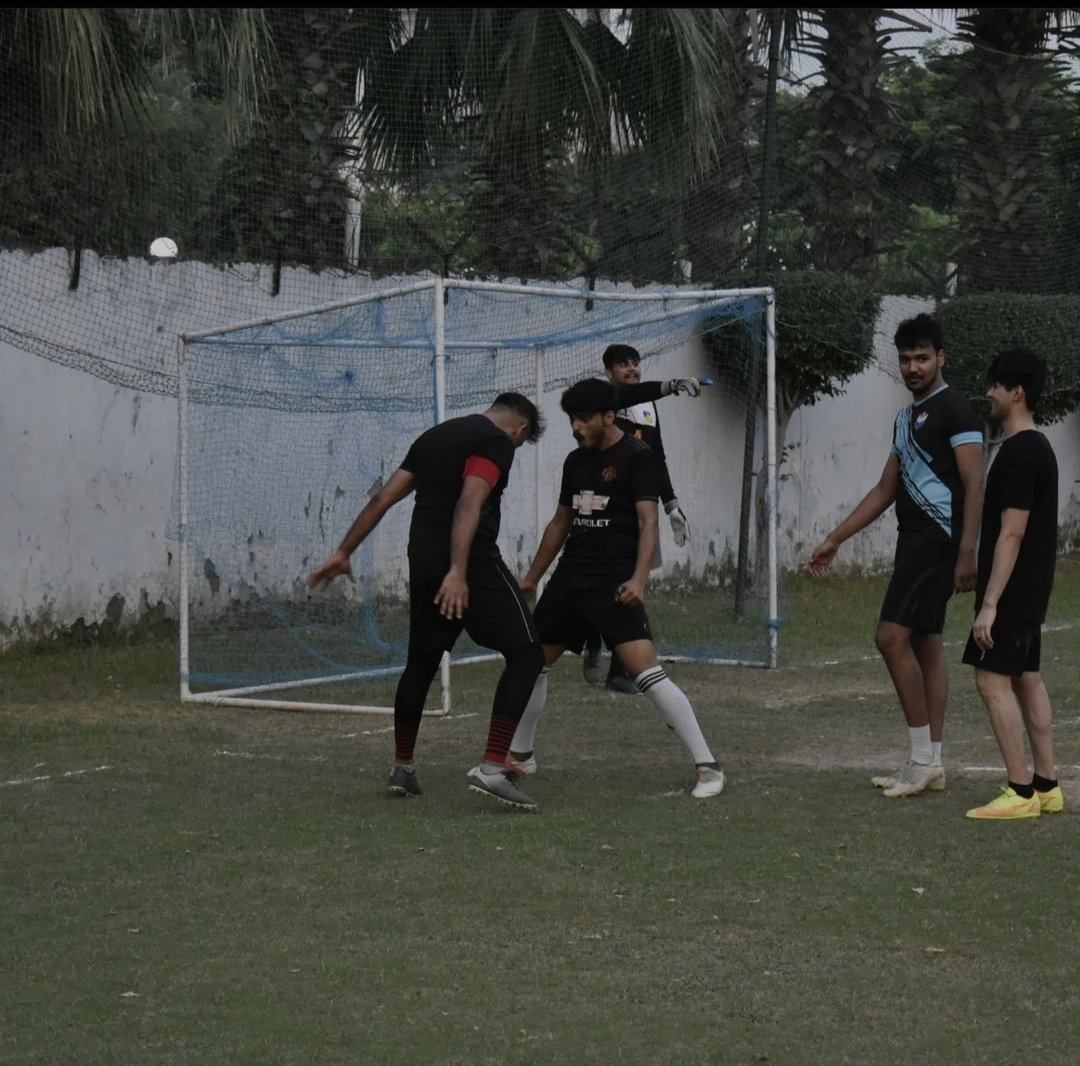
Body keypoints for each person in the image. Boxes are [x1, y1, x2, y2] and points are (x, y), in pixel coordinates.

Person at [306, 393, 547, 811]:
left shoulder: (435, 436)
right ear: (519, 429)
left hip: (424, 560)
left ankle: (403, 766)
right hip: (471, 564)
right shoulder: (496, 442)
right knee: (527, 653)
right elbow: (470, 502)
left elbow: (383, 498)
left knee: (421, 661)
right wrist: (458, 571)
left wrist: (344, 551)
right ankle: (493, 768)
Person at [507, 377, 726, 799]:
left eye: (583, 419)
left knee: (645, 672)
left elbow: (648, 522)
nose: (575, 427)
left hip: (613, 584)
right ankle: (521, 753)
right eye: (571, 419)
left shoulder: (636, 457)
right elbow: (560, 523)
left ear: (609, 417)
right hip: (570, 578)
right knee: (531, 661)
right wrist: (532, 578)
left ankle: (708, 767)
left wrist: (639, 579)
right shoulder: (575, 462)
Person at [808, 313, 984, 798]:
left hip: (939, 543)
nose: (913, 367)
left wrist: (967, 549)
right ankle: (932, 761)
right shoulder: (906, 418)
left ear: (941, 359)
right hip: (913, 541)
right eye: (906, 359)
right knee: (925, 643)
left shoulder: (957, 410)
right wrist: (836, 537)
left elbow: (975, 484)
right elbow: (886, 487)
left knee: (890, 638)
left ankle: (921, 759)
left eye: (922, 358)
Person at [962, 349, 1064, 820]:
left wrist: (989, 604)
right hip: (1031, 588)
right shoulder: (1039, 447)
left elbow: (1013, 531)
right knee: (1027, 679)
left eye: (995, 386)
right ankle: (1047, 785)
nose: (989, 394)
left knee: (991, 678)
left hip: (1012, 590)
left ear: (1016, 393)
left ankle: (1020, 791)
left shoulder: (1021, 452)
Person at [581, 342, 703, 694]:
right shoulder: (607, 401)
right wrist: (671, 386)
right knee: (597, 581)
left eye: (635, 363)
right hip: (602, 504)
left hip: (637, 507)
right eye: (623, 364)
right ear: (609, 371)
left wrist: (671, 505)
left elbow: (656, 459)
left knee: (634, 581)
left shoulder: (648, 406)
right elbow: (626, 396)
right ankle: (593, 646)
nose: (632, 369)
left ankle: (619, 671)